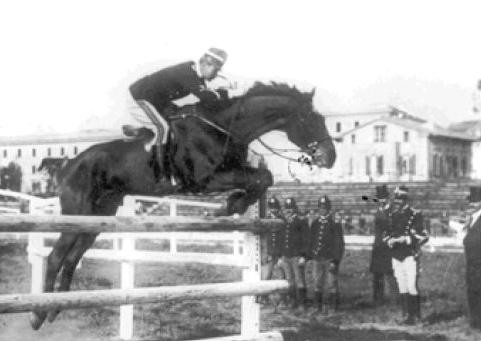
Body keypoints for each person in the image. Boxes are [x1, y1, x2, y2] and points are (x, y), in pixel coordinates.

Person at [127, 47, 231, 185]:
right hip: (140, 98)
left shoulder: (195, 75)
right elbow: (205, 96)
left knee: (179, 119)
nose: (216, 75)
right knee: (162, 129)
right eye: (216, 71)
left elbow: (208, 94)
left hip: (156, 101)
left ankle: (144, 132)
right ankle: (159, 175)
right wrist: (231, 92)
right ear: (207, 64)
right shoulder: (187, 73)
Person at [384, 186, 429, 325]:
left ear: (405, 200)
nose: (397, 203)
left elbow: (423, 235)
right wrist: (389, 240)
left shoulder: (416, 214)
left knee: (411, 285)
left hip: (410, 254)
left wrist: (407, 239)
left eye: (400, 200)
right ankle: (406, 316)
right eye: (396, 200)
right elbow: (386, 233)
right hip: (396, 255)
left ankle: (416, 317)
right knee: (402, 285)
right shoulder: (392, 215)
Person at [309, 195, 339, 313]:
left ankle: (333, 307)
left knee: (331, 283)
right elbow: (311, 241)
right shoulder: (315, 223)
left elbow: (338, 244)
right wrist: (311, 255)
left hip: (329, 258)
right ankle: (317, 306)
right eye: (320, 208)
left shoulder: (334, 224)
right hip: (318, 258)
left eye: (325, 208)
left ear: (329, 209)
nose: (322, 210)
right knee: (317, 282)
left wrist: (335, 260)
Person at [278, 197, 310, 309]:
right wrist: (280, 257)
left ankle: (302, 303)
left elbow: (306, 240)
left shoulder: (300, 222)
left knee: (300, 280)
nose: (289, 211)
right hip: (286, 255)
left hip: (296, 256)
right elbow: (281, 240)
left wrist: (304, 256)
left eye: (291, 208)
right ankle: (293, 301)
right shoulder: (283, 222)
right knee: (289, 281)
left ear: (295, 209)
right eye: (287, 208)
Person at [370, 185, 398, 305]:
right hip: (378, 247)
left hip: (388, 246)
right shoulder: (379, 210)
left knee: (390, 273)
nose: (381, 200)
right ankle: (378, 299)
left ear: (387, 198)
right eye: (379, 198)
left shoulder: (392, 211)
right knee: (377, 274)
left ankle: (395, 299)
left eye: (383, 198)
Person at [260, 196, 287, 306]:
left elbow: (285, 237)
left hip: (279, 253)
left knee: (282, 276)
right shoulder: (265, 220)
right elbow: (263, 238)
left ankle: (282, 299)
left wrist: (282, 255)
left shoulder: (282, 220)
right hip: (269, 253)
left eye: (275, 207)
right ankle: (263, 298)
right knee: (266, 276)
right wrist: (265, 253)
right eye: (271, 208)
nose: (273, 210)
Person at [463, 186, 481, 330]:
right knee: (472, 290)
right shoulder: (471, 218)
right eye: (471, 202)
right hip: (471, 262)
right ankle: (474, 321)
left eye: (476, 202)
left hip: (479, 262)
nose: (472, 205)